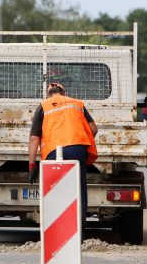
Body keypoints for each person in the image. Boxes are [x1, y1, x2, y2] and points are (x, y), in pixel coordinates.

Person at [28, 77, 98, 236]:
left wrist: (32, 165)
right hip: (76, 149)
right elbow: (94, 129)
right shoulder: (77, 104)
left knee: (54, 189)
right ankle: (80, 229)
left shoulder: (43, 106)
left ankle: (56, 230)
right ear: (64, 93)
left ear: (48, 94)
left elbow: (34, 138)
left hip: (54, 151)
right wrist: (80, 136)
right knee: (79, 188)